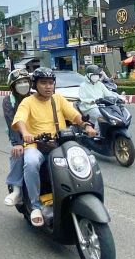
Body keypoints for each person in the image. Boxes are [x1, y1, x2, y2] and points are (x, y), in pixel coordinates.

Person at [12, 67, 97, 227]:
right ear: (35, 85)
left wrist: (86, 125)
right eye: (43, 83)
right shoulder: (27, 102)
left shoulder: (58, 99)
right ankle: (36, 206)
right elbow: (20, 119)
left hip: (59, 144)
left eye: (51, 83)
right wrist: (25, 133)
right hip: (35, 145)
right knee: (30, 163)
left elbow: (73, 115)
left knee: (83, 159)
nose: (48, 86)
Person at [3, 69, 32, 206]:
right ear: (13, 85)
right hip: (21, 137)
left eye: (26, 81)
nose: (23, 84)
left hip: (41, 135)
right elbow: (11, 123)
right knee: (17, 154)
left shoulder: (36, 97)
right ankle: (16, 190)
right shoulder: (9, 101)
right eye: (19, 82)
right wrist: (18, 143)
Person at [78, 65, 117, 135]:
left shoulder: (100, 84)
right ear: (88, 75)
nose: (96, 76)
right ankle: (96, 135)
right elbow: (83, 98)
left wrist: (118, 97)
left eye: (97, 74)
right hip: (88, 107)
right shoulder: (83, 86)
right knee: (100, 116)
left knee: (111, 115)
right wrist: (92, 101)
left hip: (101, 106)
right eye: (94, 75)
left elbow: (108, 94)